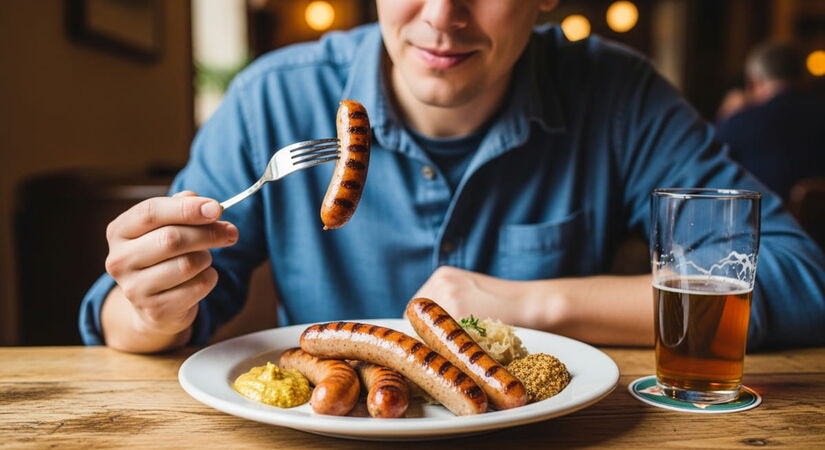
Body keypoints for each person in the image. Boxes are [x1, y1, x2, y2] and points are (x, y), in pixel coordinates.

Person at [80, 0, 825, 354]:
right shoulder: (270, 99)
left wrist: (535, 305)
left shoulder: (620, 96)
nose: (442, 16)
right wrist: (150, 307)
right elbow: (127, 319)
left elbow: (797, 282)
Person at [716, 41, 825, 200]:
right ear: (804, 77)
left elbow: (711, 163)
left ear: (753, 82)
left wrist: (725, 117)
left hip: (760, 214)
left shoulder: (742, 121)